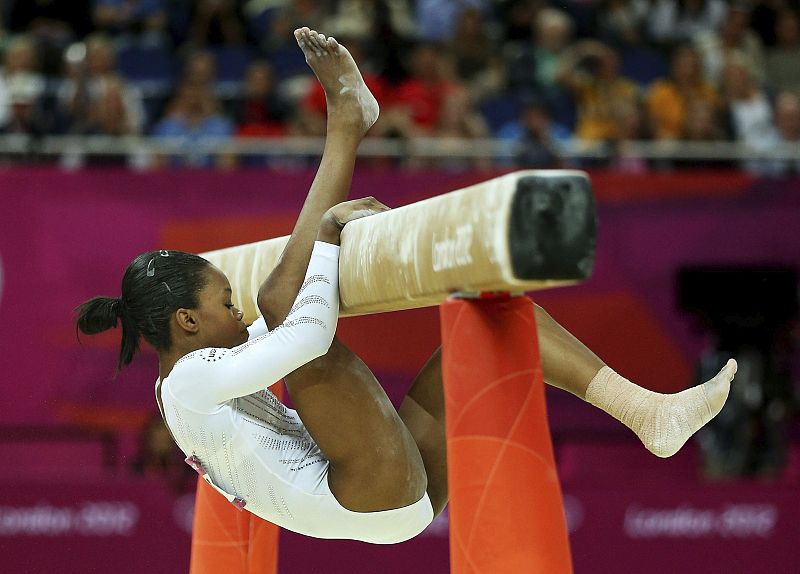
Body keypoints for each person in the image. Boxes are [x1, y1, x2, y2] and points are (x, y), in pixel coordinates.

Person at [75, 28, 737, 545]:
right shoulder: (191, 382)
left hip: (393, 498)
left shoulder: (189, 376)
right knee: (284, 306)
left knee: (499, 323)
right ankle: (346, 124)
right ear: (187, 322)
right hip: (364, 492)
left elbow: (283, 307)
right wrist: (328, 236)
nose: (236, 311)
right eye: (225, 303)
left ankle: (645, 413)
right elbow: (304, 333)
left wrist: (323, 241)